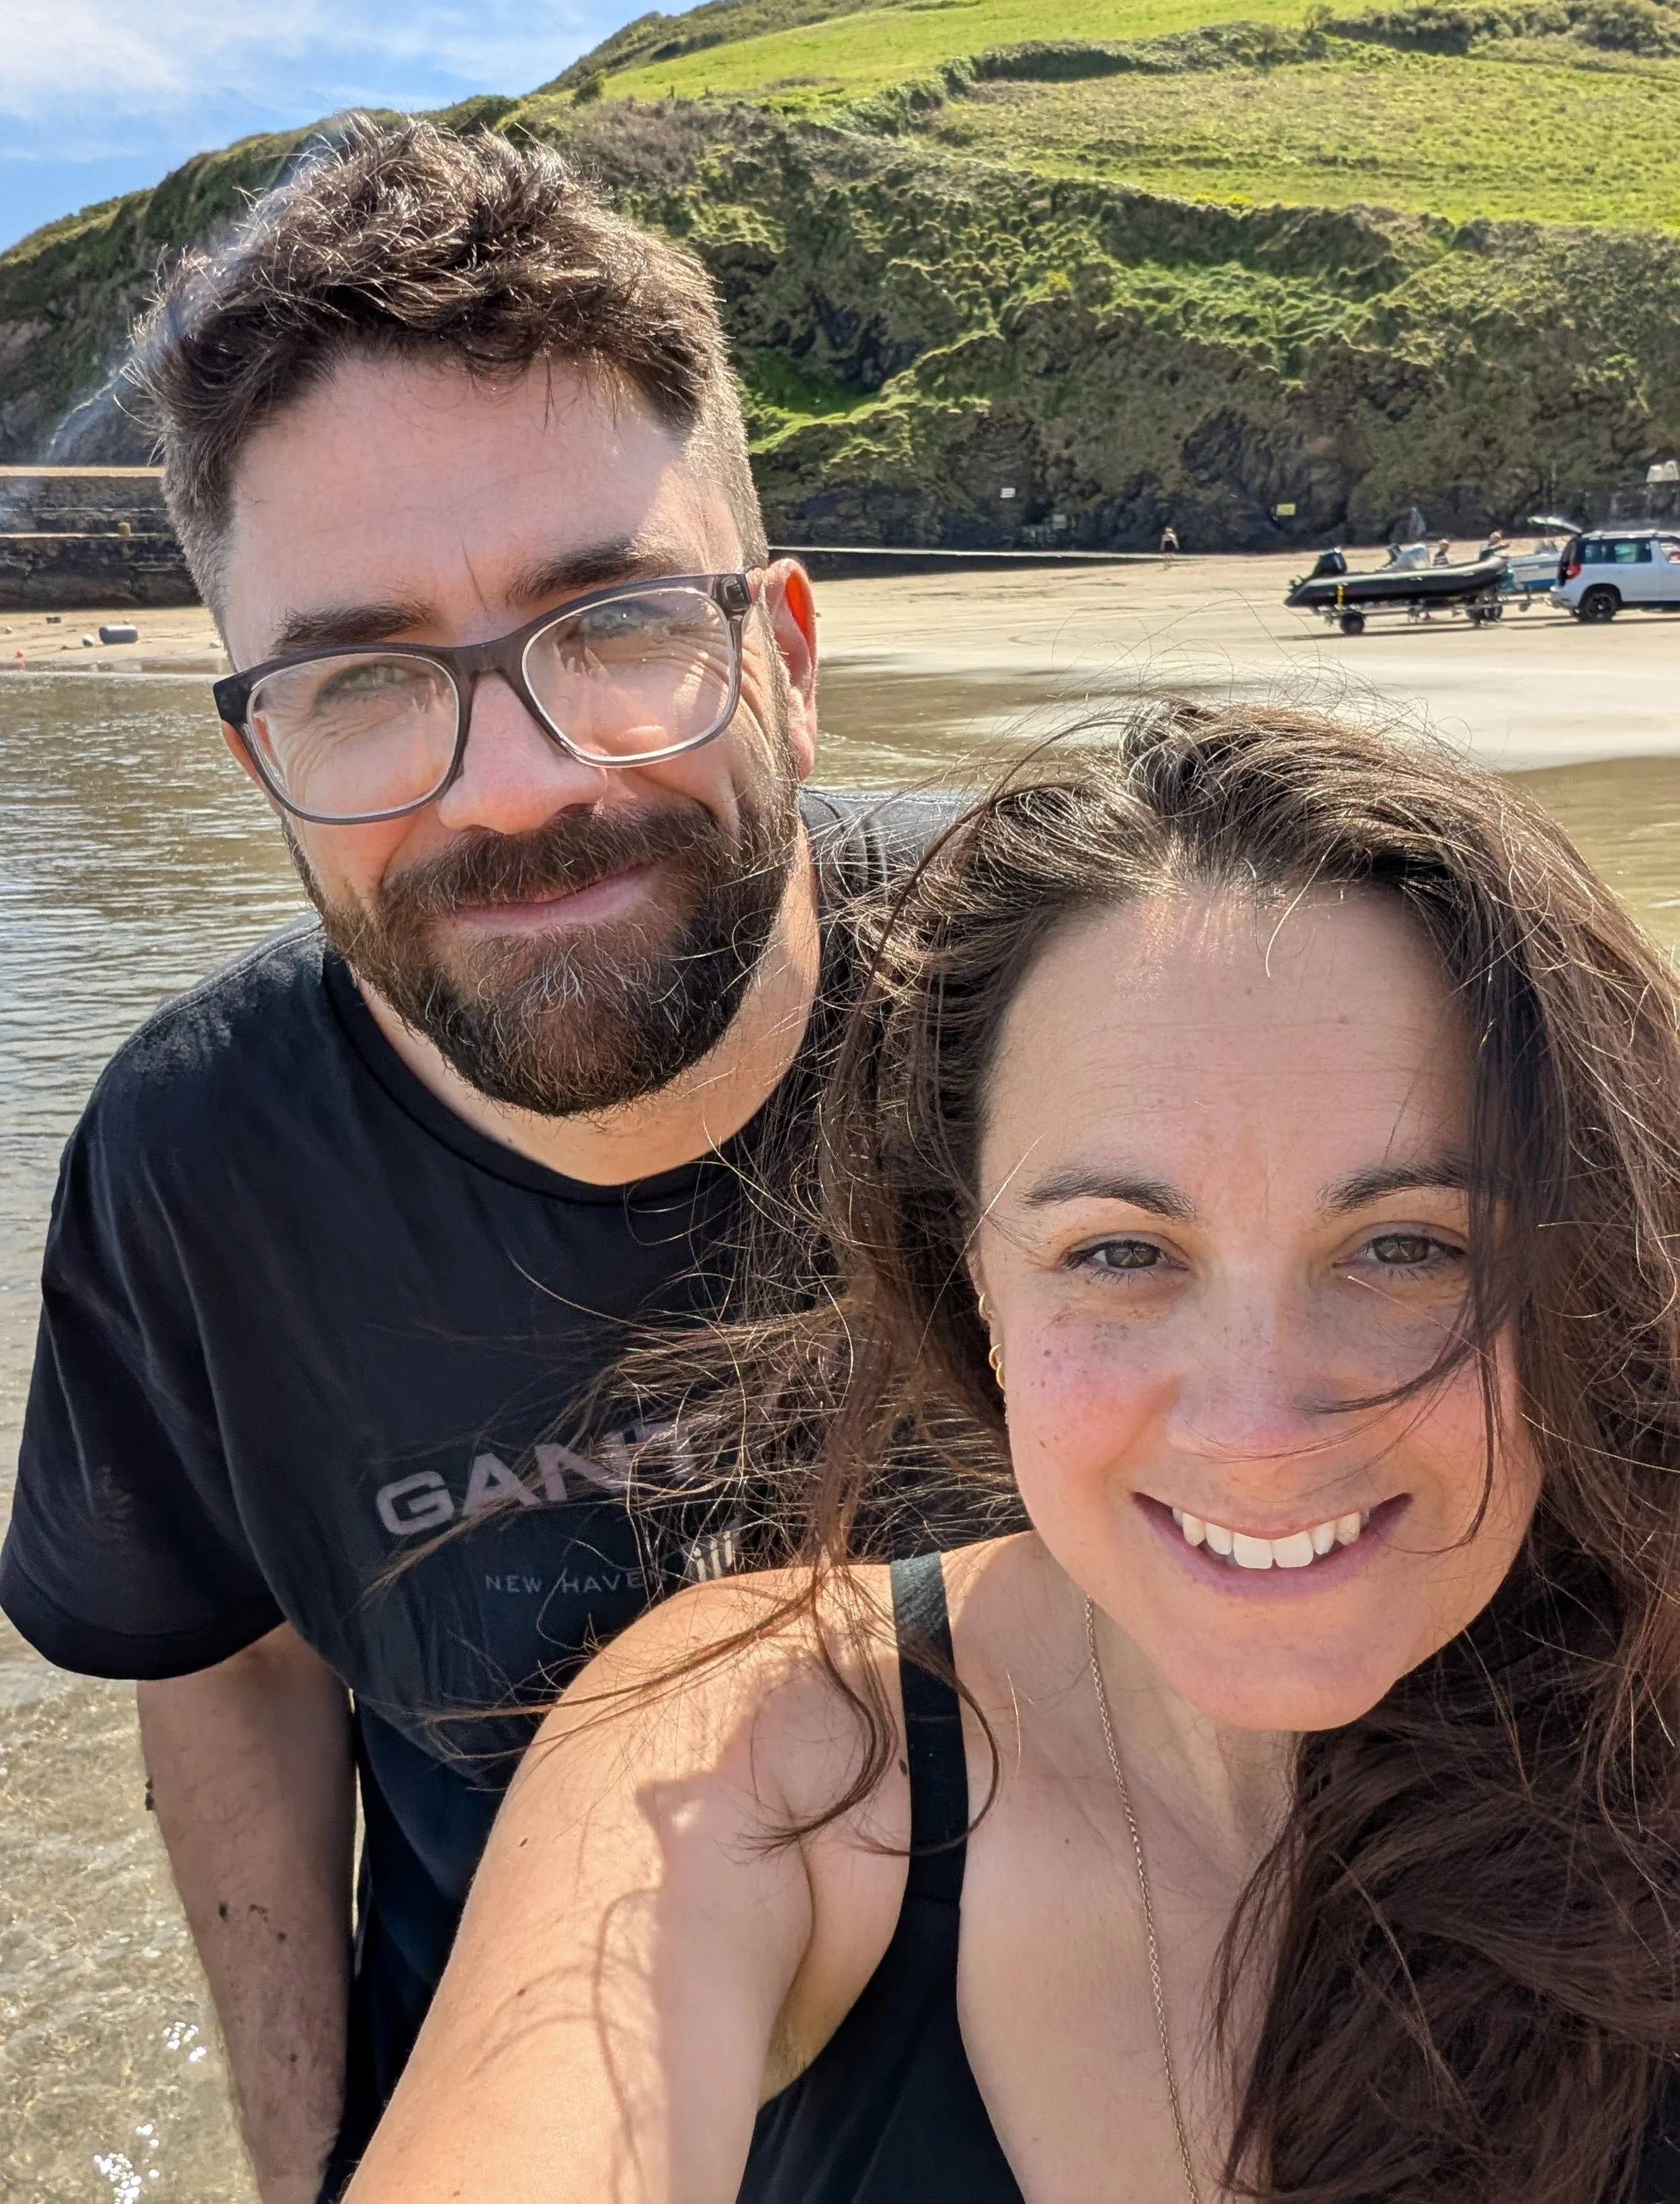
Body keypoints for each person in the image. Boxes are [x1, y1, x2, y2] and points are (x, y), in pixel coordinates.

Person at [348, 702, 1680, 2204]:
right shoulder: (763, 1752)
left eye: (1403, 1247)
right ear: (967, 1274)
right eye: (1118, 1250)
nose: (1251, 1427)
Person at [0, 120, 953, 2204]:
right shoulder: (192, 1166)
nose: (514, 789)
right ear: (257, 750)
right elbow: (221, 1660)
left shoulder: (1087, 1006)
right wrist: (311, 2153)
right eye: (360, 682)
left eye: (611, 625)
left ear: (784, 654)